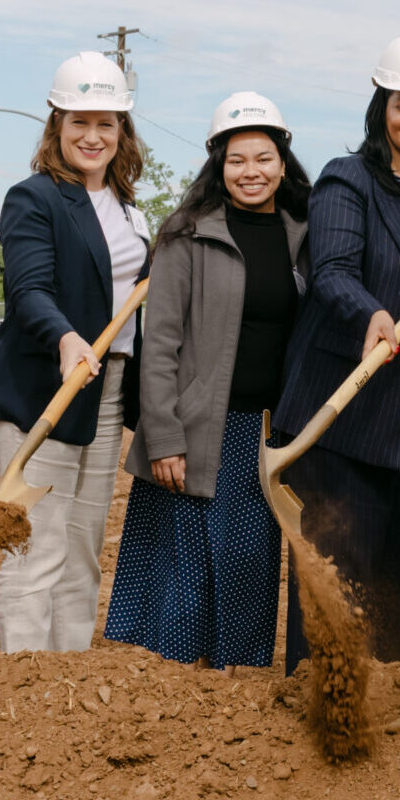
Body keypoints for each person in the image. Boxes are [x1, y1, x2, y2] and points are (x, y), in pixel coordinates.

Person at [276, 33, 400, 668]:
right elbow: (332, 271)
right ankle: (321, 694)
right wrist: (372, 311)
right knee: (338, 565)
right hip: (344, 410)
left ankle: (398, 701)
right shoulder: (347, 178)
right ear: (380, 106)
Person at [108, 93, 310, 668]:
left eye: (264, 158)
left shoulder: (303, 235)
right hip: (196, 427)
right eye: (237, 160)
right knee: (186, 570)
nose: (252, 172)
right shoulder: (185, 235)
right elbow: (160, 345)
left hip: (266, 431)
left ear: (282, 161)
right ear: (218, 165)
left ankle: (238, 686)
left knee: (249, 564)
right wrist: (164, 437)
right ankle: (176, 693)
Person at [0, 50, 151, 652]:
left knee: (82, 543)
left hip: (107, 387)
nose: (93, 135)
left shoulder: (129, 208)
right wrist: (65, 335)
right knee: (37, 545)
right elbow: (28, 289)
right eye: (79, 121)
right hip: (43, 389)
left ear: (122, 130)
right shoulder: (35, 198)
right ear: (56, 125)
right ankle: (25, 680)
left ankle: (68, 676)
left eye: (107, 122)